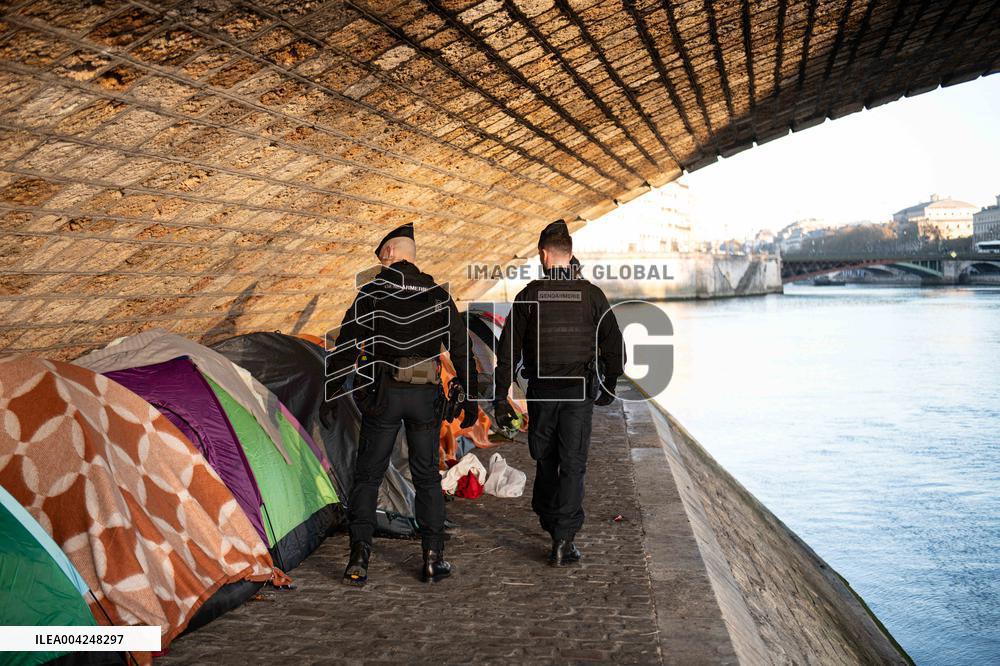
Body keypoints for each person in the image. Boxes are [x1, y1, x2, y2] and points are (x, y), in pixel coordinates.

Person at [330, 222, 477, 585]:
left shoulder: (372, 292)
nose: (378, 260)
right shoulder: (438, 294)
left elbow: (347, 344)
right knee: (427, 476)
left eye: (381, 254)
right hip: (425, 398)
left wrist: (330, 393)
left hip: (383, 395)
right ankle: (432, 558)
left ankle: (358, 559)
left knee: (368, 475)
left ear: (393, 252)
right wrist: (470, 397)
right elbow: (461, 348)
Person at [493, 220, 624, 566]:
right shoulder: (592, 295)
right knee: (573, 464)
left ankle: (551, 520)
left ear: (543, 255)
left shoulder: (529, 296)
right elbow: (615, 346)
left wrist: (499, 397)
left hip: (541, 393)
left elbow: (508, 352)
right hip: (578, 395)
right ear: (568, 255)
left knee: (547, 458)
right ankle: (563, 539)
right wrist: (610, 384)